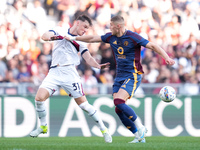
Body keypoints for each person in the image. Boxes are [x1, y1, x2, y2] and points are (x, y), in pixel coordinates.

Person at [64, 15, 175, 143]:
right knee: (118, 108)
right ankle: (139, 136)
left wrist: (166, 57)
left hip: (132, 75)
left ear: (118, 26)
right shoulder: (111, 37)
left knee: (118, 101)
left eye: (111, 26)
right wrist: (74, 38)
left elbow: (153, 46)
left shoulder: (133, 37)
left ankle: (141, 127)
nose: (109, 28)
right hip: (119, 76)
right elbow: (93, 38)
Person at [29, 15, 112, 143]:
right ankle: (43, 126)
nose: (85, 30)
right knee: (39, 99)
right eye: (84, 27)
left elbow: (88, 57)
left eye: (87, 29)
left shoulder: (81, 41)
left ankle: (104, 130)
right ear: (77, 23)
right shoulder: (60, 30)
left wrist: (97, 65)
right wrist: (51, 37)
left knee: (84, 105)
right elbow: (45, 35)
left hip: (70, 73)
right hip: (54, 72)